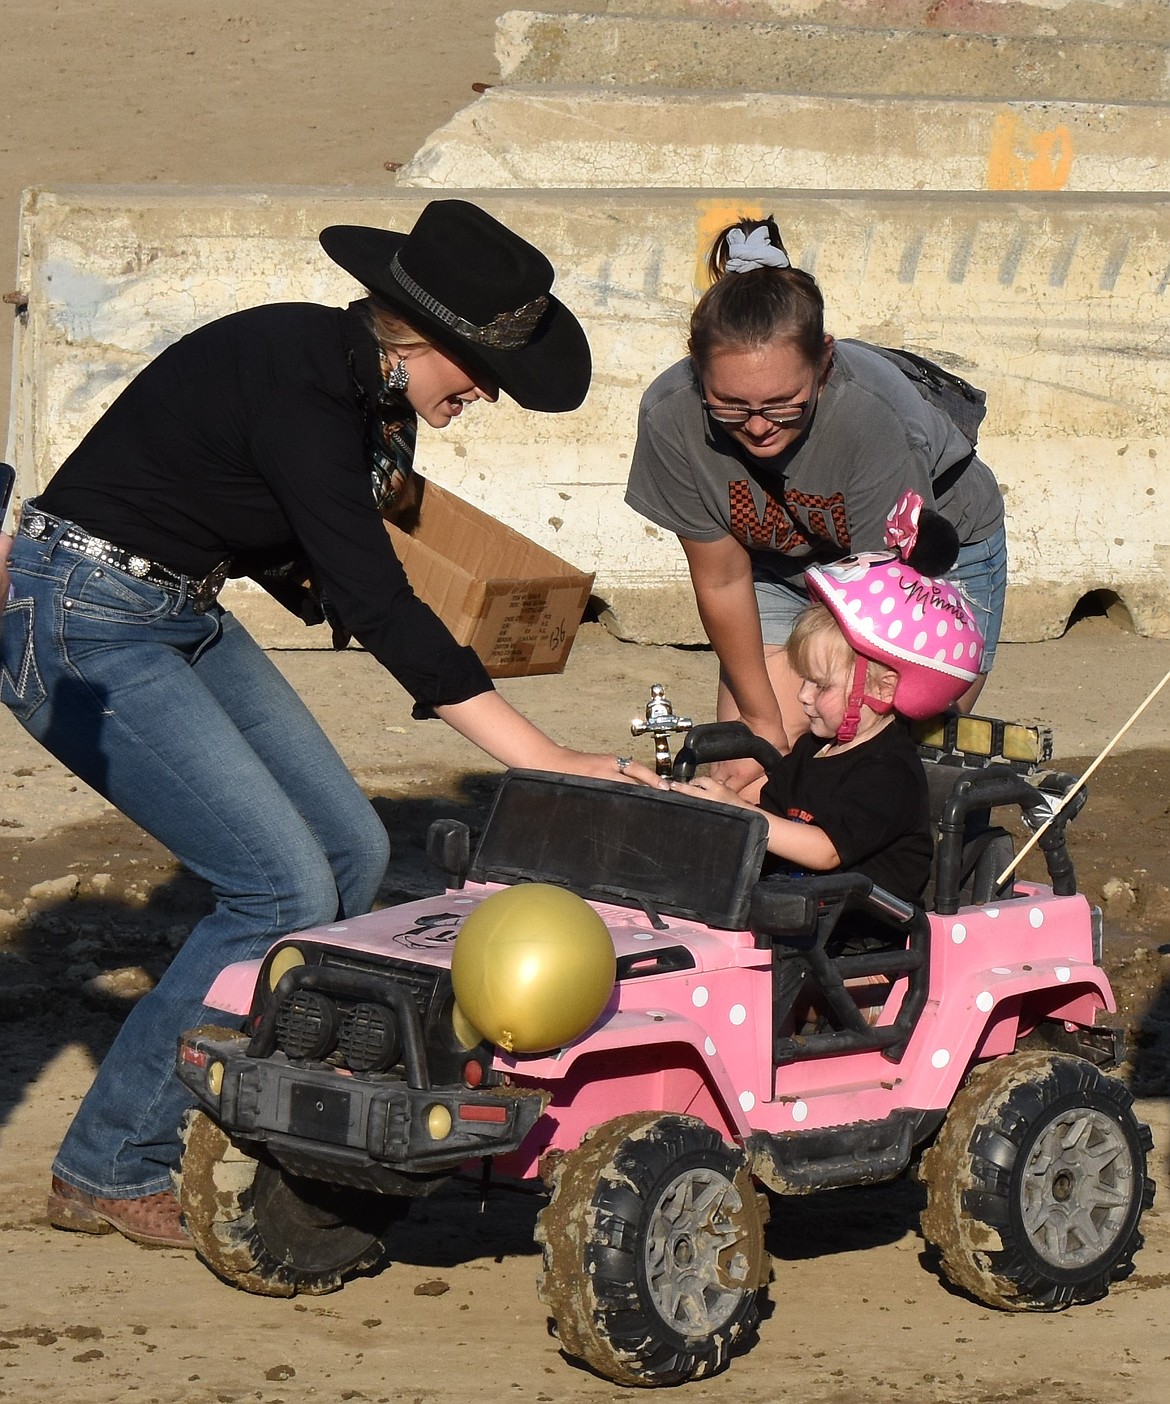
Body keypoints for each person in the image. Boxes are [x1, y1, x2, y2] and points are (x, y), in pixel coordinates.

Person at [0, 199, 630, 1250]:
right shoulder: (308, 392)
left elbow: (302, 542)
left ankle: (256, 1103)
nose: (481, 395)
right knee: (278, 885)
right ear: (420, 339)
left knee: (351, 848)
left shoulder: (349, 381)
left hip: (176, 608)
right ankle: (112, 1164)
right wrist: (548, 760)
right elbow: (377, 605)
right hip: (85, 622)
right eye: (476, 370)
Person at [625, 215, 1006, 792]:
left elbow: (886, 609)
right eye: (730, 406)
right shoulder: (671, 416)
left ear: (824, 360)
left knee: (872, 760)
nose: (756, 428)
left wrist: (827, 733)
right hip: (780, 562)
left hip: (911, 576)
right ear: (696, 371)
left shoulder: (871, 417)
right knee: (744, 771)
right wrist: (763, 726)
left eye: (783, 404)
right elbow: (723, 580)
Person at [625, 493, 985, 915]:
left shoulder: (889, 772)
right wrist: (716, 805)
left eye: (820, 685)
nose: (802, 697)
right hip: (800, 920)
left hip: (861, 936)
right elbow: (771, 813)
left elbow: (824, 851)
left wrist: (742, 812)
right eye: (804, 681)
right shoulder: (812, 752)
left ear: (883, 690)